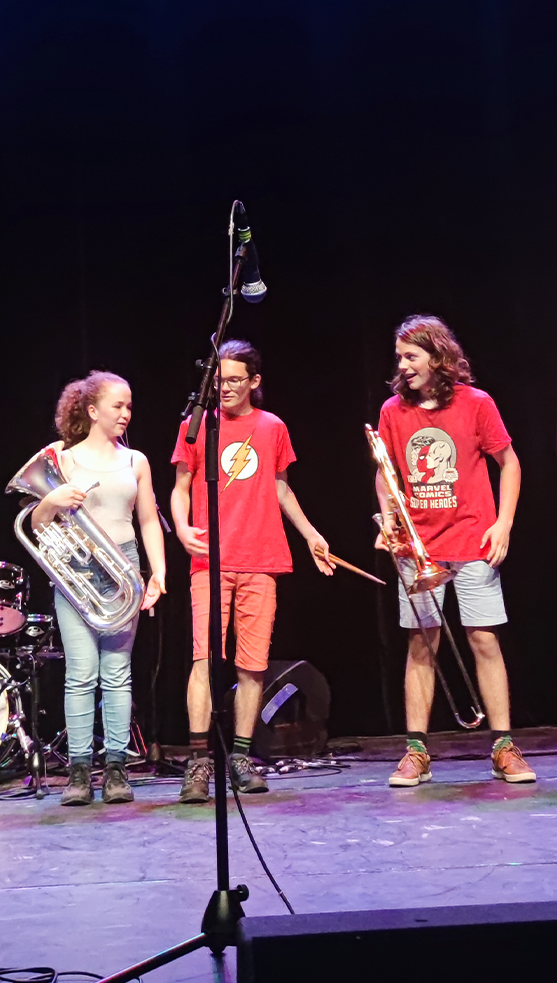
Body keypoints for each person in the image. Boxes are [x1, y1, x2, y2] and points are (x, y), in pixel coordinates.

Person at [375, 315, 535, 788]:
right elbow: (385, 472)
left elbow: (509, 463)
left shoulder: (476, 403)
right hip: (418, 545)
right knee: (422, 645)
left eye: (411, 356)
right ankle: (416, 751)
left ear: (437, 356)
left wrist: (503, 522)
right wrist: (388, 518)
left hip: (472, 540)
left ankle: (503, 745)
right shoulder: (392, 411)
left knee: (484, 640)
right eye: (400, 357)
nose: (403, 365)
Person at [171, 339, 333, 802]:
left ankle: (240, 756)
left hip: (261, 558)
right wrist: (182, 527)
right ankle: (200, 761)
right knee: (205, 659)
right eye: (219, 381)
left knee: (252, 664)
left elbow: (281, 488)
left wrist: (310, 534)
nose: (225, 388)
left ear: (254, 382)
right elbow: (180, 486)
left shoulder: (272, 427)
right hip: (210, 560)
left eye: (235, 381)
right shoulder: (196, 424)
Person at [28, 371, 166, 806]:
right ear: (92, 411)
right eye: (117, 406)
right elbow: (35, 525)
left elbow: (147, 520)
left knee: (117, 673)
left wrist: (158, 573)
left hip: (122, 565)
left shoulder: (135, 461)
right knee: (81, 674)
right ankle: (79, 770)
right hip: (76, 568)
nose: (125, 414)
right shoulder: (60, 458)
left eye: (128, 406)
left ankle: (117, 768)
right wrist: (50, 502)